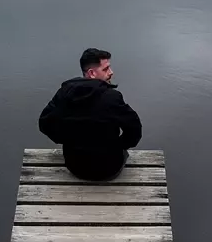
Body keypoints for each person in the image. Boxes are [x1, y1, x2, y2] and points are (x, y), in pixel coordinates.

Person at [37, 48, 142, 181]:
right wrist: (119, 145)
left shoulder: (65, 93)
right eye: (105, 69)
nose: (111, 72)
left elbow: (44, 123)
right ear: (92, 73)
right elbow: (135, 129)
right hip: (109, 169)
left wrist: (67, 141)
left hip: (75, 167)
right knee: (122, 153)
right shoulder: (112, 97)